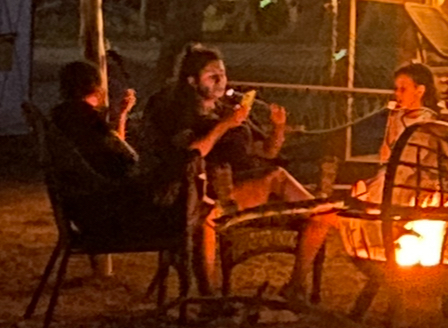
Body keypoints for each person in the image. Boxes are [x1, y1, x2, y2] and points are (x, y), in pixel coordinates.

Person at [141, 43, 336, 305]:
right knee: (269, 180)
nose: (221, 81)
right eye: (212, 76)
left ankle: (296, 284)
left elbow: (267, 151)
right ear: (192, 81)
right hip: (208, 190)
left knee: (323, 214)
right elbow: (191, 153)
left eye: (222, 74)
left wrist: (278, 128)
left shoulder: (228, 109)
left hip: (248, 185)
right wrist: (224, 126)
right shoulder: (183, 115)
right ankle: (209, 297)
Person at [49, 60, 211, 278]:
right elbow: (126, 161)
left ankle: (187, 252)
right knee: (189, 166)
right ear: (96, 86)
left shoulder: (69, 120)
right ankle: (194, 269)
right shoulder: (85, 122)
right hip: (114, 215)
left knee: (185, 175)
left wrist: (122, 115)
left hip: (92, 209)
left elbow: (115, 154)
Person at [351, 62, 440, 203]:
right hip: (391, 176)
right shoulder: (396, 117)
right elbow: (385, 155)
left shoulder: (429, 123)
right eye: (396, 89)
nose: (397, 94)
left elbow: (418, 161)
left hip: (415, 181)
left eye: (403, 89)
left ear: (420, 91)